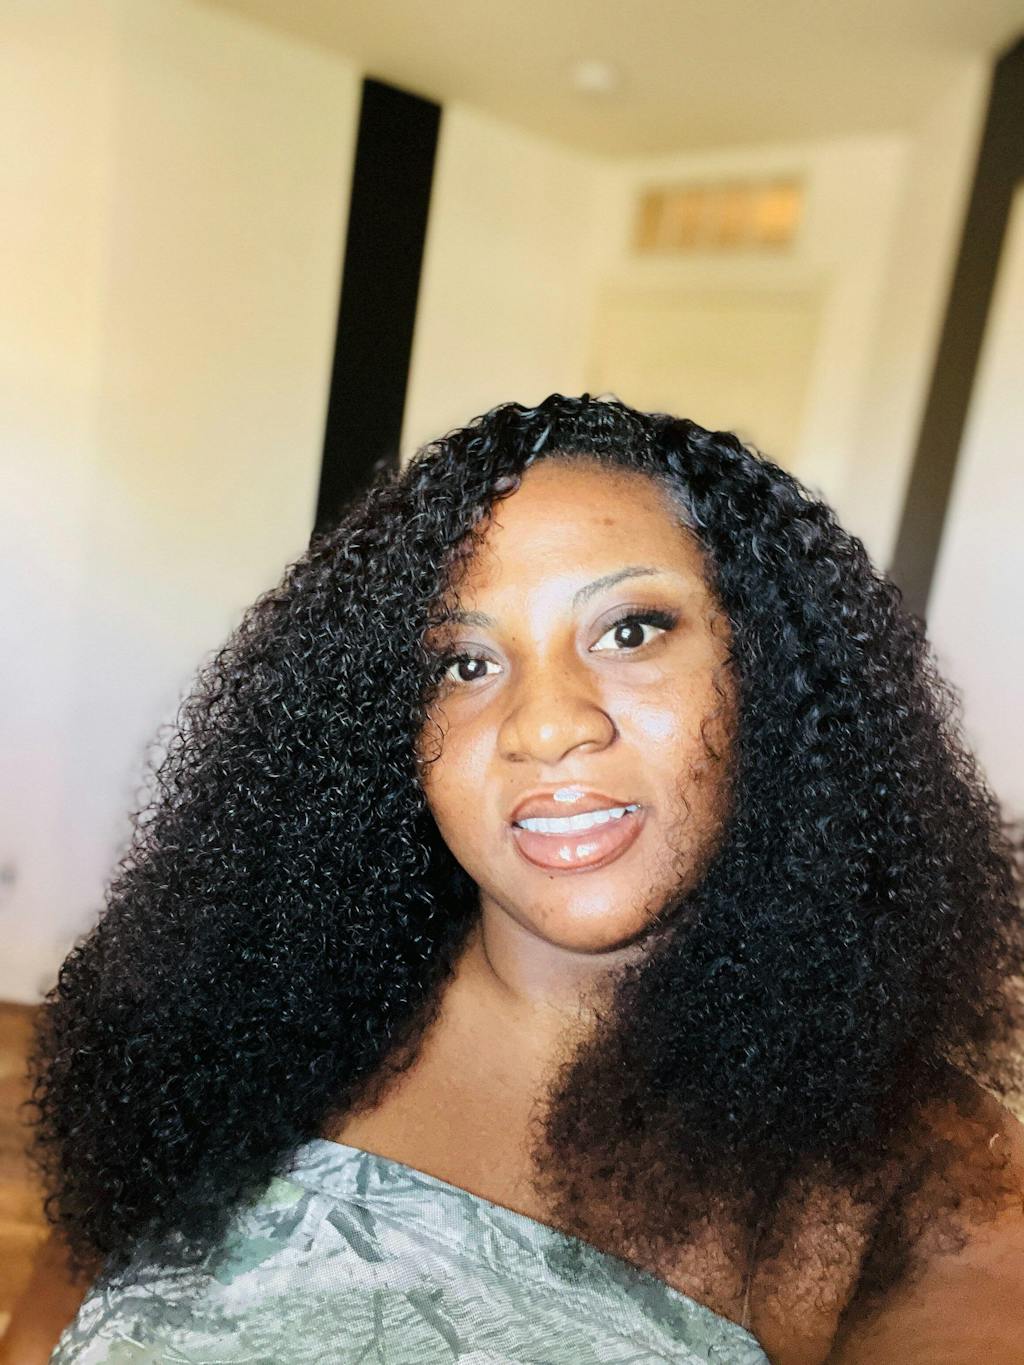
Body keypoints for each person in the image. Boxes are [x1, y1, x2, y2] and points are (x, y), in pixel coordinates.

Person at [12, 394, 1024, 1364]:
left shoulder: (920, 1192)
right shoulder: (243, 1020)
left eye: (631, 630)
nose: (544, 726)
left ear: (770, 670)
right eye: (463, 662)